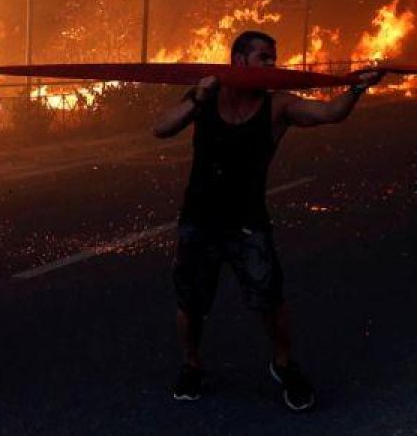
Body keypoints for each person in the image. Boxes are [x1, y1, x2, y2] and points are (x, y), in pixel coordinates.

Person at [153, 30, 382, 411]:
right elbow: (161, 128)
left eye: (274, 58)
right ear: (239, 61)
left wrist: (357, 88)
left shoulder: (278, 106)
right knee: (191, 303)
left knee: (270, 302)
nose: (272, 65)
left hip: (248, 222)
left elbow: (329, 113)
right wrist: (196, 98)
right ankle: (192, 365)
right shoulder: (205, 98)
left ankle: (283, 364)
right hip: (200, 219)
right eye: (264, 58)